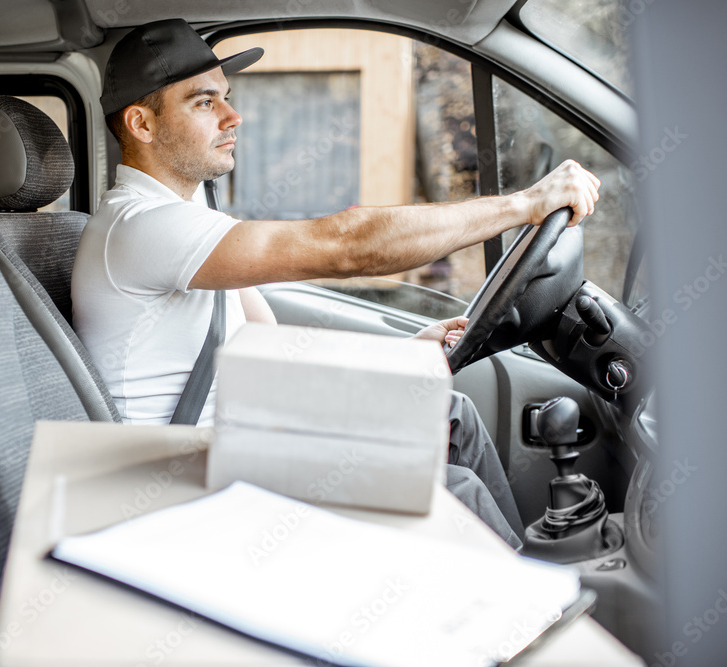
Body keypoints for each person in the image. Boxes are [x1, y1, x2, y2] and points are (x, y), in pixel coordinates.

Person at [71, 19, 600, 548]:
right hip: (185, 491)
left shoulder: (183, 223)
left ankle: (517, 584)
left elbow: (269, 352)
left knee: (447, 409)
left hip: (237, 446)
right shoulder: (142, 227)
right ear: (142, 124)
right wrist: (523, 205)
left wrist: (401, 355)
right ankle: (526, 608)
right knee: (450, 486)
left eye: (226, 98)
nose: (235, 116)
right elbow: (349, 245)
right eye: (205, 103)